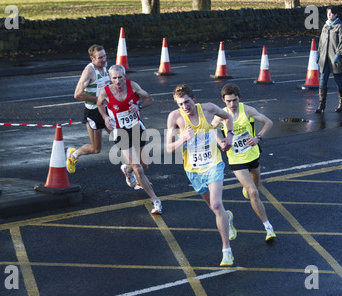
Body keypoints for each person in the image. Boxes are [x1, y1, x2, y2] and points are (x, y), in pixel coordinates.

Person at [166, 83, 237, 267]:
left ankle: (226, 251)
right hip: (193, 170)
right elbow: (168, 148)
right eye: (180, 104)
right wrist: (182, 139)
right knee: (214, 208)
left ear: (194, 99)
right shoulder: (174, 117)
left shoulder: (208, 109)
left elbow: (228, 117)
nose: (184, 107)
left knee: (216, 203)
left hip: (213, 163)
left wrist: (229, 136)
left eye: (187, 102)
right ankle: (227, 218)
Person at [212, 83, 276, 242]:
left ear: (239, 98)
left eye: (234, 100)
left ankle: (249, 191)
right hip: (236, 159)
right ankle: (268, 228)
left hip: (252, 155)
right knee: (253, 192)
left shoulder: (247, 110)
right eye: (228, 101)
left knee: (256, 189)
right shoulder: (221, 115)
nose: (232, 104)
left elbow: (269, 122)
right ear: (223, 100)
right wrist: (220, 141)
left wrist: (258, 137)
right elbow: (211, 128)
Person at [97, 64, 162, 215]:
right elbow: (99, 104)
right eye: (114, 78)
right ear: (110, 78)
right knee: (138, 168)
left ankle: (127, 169)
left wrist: (138, 106)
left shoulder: (132, 85)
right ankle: (156, 200)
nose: (118, 81)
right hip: (120, 132)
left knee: (144, 166)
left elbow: (149, 98)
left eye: (120, 77)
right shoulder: (105, 92)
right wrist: (106, 117)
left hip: (136, 127)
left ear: (124, 76)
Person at [66, 44, 111, 174]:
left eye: (104, 56)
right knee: (96, 149)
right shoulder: (89, 71)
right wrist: (99, 99)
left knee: (121, 139)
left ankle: (132, 171)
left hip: (107, 110)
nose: (104, 59)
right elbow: (77, 94)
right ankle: (74, 155)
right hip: (93, 112)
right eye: (100, 58)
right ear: (92, 59)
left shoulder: (104, 66)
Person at [316, 5, 342, 113]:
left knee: (338, 81)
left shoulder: (340, 27)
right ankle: (321, 106)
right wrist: (318, 54)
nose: (329, 15)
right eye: (328, 13)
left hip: (335, 59)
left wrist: (338, 54)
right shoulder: (325, 27)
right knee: (322, 81)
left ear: (336, 14)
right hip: (324, 59)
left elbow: (341, 43)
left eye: (332, 13)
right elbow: (321, 42)